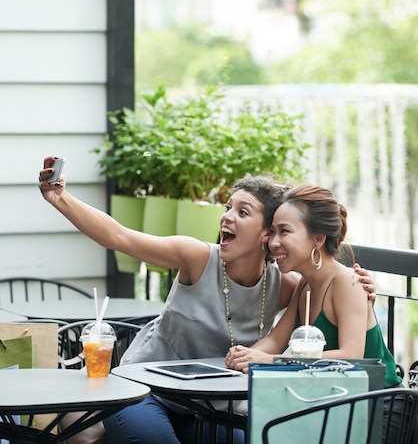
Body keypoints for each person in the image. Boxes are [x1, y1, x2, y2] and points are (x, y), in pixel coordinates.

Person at [38, 157, 375, 444]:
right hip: (143, 390)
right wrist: (60, 198)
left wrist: (364, 290)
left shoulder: (286, 284)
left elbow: (325, 279)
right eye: (228, 207)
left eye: (242, 212)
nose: (227, 216)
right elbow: (119, 236)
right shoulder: (198, 257)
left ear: (267, 234)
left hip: (208, 403)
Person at [225, 184, 415, 443]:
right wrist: (245, 356)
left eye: (284, 232)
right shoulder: (305, 285)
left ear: (317, 239)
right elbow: (276, 340)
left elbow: (350, 356)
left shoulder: (348, 282)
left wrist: (269, 362)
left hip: (378, 408)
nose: (273, 242)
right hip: (334, 403)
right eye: (273, 232)